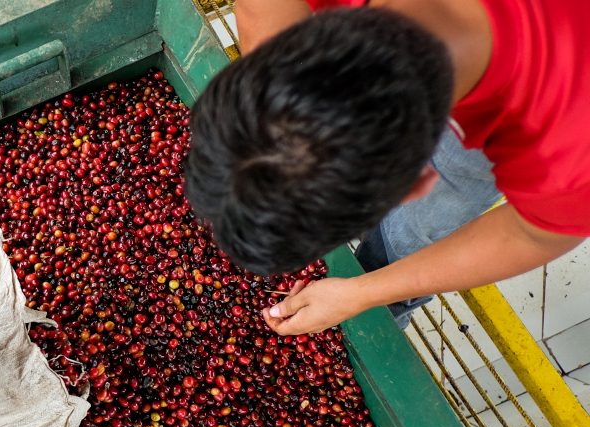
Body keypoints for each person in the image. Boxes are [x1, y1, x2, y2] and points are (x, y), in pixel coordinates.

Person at [184, 0, 588, 334]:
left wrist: (362, 293)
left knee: (418, 223)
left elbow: (534, 236)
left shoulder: (569, 149)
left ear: (419, 183)